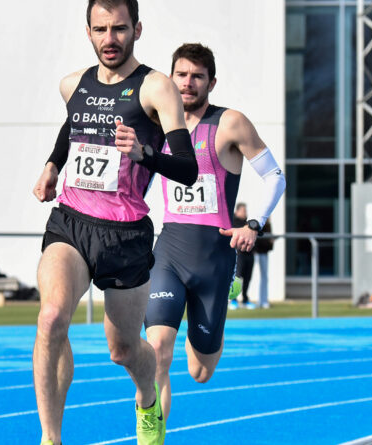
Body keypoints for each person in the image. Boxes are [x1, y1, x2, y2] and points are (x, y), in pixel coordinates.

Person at [31, 1, 198, 444]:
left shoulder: (156, 88)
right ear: (88, 31)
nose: (110, 39)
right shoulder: (73, 85)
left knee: (122, 350)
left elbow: (188, 168)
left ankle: (148, 398)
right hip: (71, 221)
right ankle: (51, 438)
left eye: (120, 29)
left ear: (137, 29)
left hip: (125, 234)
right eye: (101, 29)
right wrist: (52, 164)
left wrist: (145, 153)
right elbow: (75, 126)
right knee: (50, 318)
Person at [143, 43, 286, 422]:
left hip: (214, 259)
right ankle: (150, 435)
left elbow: (274, 176)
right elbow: (139, 180)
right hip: (169, 251)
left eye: (197, 77)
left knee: (200, 371)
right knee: (157, 349)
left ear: (211, 82)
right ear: (170, 79)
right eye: (181, 75)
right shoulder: (156, 125)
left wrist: (253, 224)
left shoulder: (230, 123)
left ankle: (221, 300)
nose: (187, 83)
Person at [228, 203, 256, 310]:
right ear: (237, 211)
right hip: (238, 254)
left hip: (249, 253)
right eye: (243, 210)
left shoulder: (248, 224)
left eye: (246, 210)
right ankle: (233, 300)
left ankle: (245, 299)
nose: (245, 213)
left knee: (248, 277)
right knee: (237, 278)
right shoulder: (233, 222)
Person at [253, 219, 274, 309]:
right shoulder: (256, 222)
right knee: (251, 276)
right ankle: (241, 299)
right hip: (254, 252)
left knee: (264, 277)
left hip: (263, 252)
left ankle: (263, 300)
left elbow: (269, 241)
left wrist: (270, 243)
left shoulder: (268, 225)